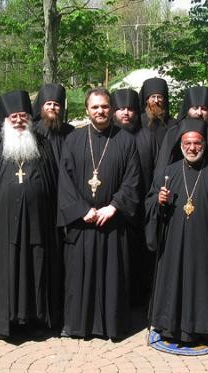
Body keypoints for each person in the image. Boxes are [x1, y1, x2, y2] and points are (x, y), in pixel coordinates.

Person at [0, 90, 61, 337]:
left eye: (23, 116)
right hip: (1, 226)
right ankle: (3, 320)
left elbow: (52, 184)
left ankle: (34, 317)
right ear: (5, 118)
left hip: (37, 223)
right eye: (14, 116)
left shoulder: (43, 145)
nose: (19, 120)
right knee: (4, 269)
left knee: (35, 267)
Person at [57, 87, 141, 340]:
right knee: (79, 276)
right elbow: (65, 179)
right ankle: (78, 325)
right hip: (83, 222)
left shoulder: (126, 140)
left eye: (104, 106)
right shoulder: (73, 139)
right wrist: (82, 209)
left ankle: (110, 326)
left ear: (112, 109)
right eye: (95, 107)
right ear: (87, 110)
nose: (100, 111)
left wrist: (114, 206)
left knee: (111, 276)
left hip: (112, 221)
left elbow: (133, 179)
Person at [145, 118, 208, 344]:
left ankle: (197, 329)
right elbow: (150, 204)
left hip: (202, 244)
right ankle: (168, 327)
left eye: (197, 143)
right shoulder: (169, 172)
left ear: (204, 144)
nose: (192, 148)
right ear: (181, 145)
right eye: (187, 143)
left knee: (199, 284)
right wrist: (158, 201)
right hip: (172, 243)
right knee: (172, 281)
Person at [112, 88, 158, 305]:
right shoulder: (108, 137)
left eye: (130, 109)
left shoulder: (148, 135)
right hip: (116, 207)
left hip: (143, 206)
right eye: (121, 109)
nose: (126, 114)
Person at [154, 86, 208, 190]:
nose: (199, 113)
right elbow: (162, 168)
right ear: (188, 109)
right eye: (195, 108)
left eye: (204, 109)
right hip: (177, 189)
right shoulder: (173, 133)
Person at [32, 83, 75, 164]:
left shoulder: (71, 132)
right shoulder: (33, 132)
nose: (52, 107)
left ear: (61, 108)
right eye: (48, 104)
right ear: (42, 107)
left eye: (56, 104)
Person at [139, 77, 176, 148]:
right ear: (147, 100)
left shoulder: (173, 123)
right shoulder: (139, 122)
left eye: (159, 97)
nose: (156, 101)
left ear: (164, 100)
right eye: (153, 97)